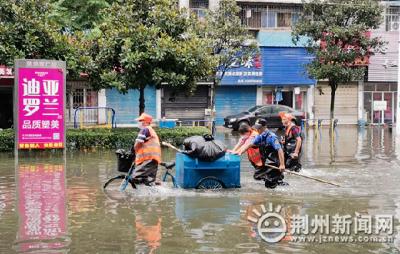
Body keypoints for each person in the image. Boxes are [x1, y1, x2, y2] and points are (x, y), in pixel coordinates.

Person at [233, 119, 286, 188]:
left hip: (275, 161)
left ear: (264, 127)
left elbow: (280, 150)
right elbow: (249, 144)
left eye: (259, 128)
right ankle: (278, 181)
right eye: (257, 128)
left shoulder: (271, 137)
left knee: (269, 183)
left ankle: (280, 188)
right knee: (257, 176)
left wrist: (282, 164)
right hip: (267, 161)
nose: (257, 130)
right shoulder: (260, 136)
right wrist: (240, 152)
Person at [132, 113, 162, 185]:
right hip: (154, 159)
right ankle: (158, 190)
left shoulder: (145, 129)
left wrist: (134, 152)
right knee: (150, 180)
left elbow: (137, 144)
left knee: (135, 176)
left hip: (148, 159)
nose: (138, 122)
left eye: (140, 120)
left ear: (145, 122)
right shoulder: (151, 130)